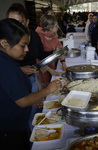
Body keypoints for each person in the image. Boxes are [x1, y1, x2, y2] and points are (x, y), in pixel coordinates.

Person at [0, 18, 61, 150]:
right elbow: (21, 101)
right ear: (4, 43)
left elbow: (14, 92)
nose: (27, 49)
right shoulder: (5, 65)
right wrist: (47, 90)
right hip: (9, 130)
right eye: (22, 45)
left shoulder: (7, 60)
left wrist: (33, 98)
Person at [6, 3, 46, 130]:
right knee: (23, 115)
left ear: (27, 22)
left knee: (34, 113)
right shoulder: (6, 47)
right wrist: (20, 70)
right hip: (15, 83)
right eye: (11, 22)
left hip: (32, 79)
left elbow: (39, 55)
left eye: (19, 22)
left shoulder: (33, 36)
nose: (26, 50)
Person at [35, 14, 67, 88]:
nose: (58, 27)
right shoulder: (38, 37)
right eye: (56, 26)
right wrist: (49, 70)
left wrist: (63, 62)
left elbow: (59, 49)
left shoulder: (54, 35)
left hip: (52, 65)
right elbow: (37, 58)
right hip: (42, 69)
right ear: (49, 27)